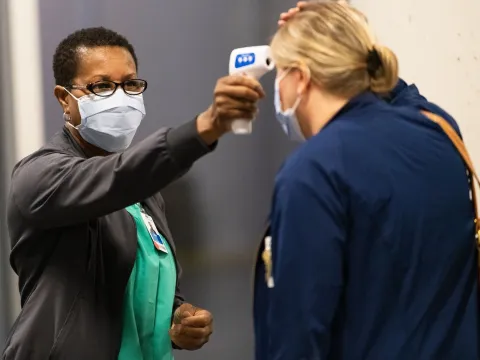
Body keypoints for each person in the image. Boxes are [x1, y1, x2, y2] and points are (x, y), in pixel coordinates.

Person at [2, 27, 265, 360]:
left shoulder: (145, 193)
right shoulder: (39, 176)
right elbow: (115, 178)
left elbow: (139, 284)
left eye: (130, 84)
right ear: (64, 99)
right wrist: (206, 126)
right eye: (101, 86)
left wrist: (178, 317)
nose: (120, 96)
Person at [253, 2, 479, 359]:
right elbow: (402, 97)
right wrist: (347, 29)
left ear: (301, 77)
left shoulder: (312, 173)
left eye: (280, 72)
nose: (277, 90)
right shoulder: (440, 132)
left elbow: (297, 335)